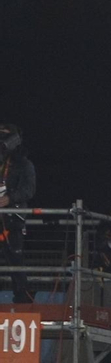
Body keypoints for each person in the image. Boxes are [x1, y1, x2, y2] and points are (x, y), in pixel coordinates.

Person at [0, 124, 36, 300]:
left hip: (13, 219)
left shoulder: (24, 164)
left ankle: (22, 297)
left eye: (6, 135)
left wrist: (10, 198)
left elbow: (29, 190)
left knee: (15, 259)